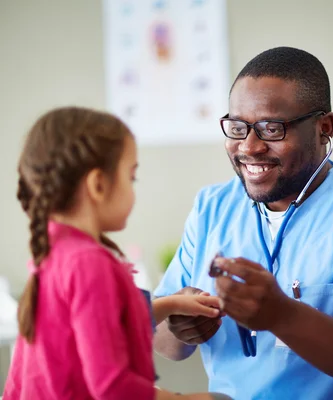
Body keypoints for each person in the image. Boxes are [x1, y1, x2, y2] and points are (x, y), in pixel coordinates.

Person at [153, 46, 333, 399]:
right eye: (238, 128)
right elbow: (167, 343)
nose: (249, 147)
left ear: (323, 128)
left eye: (271, 128)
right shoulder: (213, 206)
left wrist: (282, 315)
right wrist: (180, 324)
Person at [4, 107, 229, 400]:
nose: (133, 190)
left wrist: (172, 303)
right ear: (98, 185)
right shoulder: (90, 264)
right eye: (131, 177)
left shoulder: (55, 253)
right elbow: (113, 387)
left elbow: (101, 320)